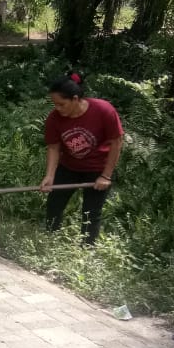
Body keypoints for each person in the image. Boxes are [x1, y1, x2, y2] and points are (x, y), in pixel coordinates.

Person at [41, 73, 124, 245]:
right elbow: (54, 148)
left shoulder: (103, 110)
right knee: (54, 204)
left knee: (91, 213)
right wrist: (49, 176)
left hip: (97, 169)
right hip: (69, 166)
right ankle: (50, 242)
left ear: (75, 99)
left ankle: (87, 250)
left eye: (61, 104)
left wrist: (106, 176)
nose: (57, 108)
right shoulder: (54, 119)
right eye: (54, 104)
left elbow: (116, 142)